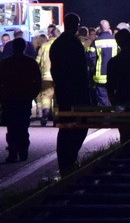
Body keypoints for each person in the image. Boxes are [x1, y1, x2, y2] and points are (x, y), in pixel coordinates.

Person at [49, 12, 93, 177]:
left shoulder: (57, 44)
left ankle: (65, 162)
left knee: (65, 127)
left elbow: (55, 69)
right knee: (80, 125)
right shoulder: (75, 44)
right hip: (77, 92)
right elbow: (81, 71)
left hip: (63, 92)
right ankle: (69, 160)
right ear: (75, 25)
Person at [0, 37, 43, 162]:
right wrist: (33, 94)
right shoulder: (30, 63)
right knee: (23, 126)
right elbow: (37, 81)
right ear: (24, 47)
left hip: (9, 99)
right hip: (24, 98)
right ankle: (23, 151)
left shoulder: (5, 63)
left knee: (12, 127)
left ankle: (13, 152)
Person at [91, 20, 117, 106]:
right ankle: (113, 116)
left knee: (103, 98)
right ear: (109, 27)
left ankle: (106, 116)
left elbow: (91, 57)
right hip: (113, 74)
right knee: (112, 97)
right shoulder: (115, 41)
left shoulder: (96, 41)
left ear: (100, 29)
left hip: (100, 75)